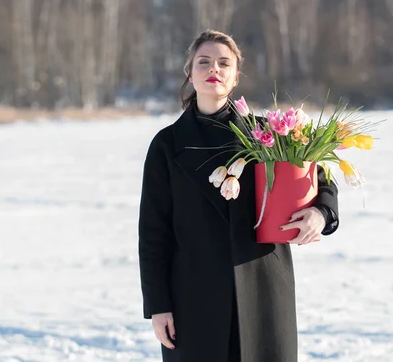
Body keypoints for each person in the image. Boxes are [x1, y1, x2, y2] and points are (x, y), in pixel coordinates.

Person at [138, 30, 339, 362]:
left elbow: (322, 181)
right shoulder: (167, 145)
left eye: (223, 63)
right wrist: (158, 306)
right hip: (193, 297)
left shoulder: (269, 135)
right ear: (190, 72)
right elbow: (153, 232)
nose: (213, 69)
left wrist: (321, 215)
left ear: (235, 76)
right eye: (203, 62)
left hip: (263, 288)